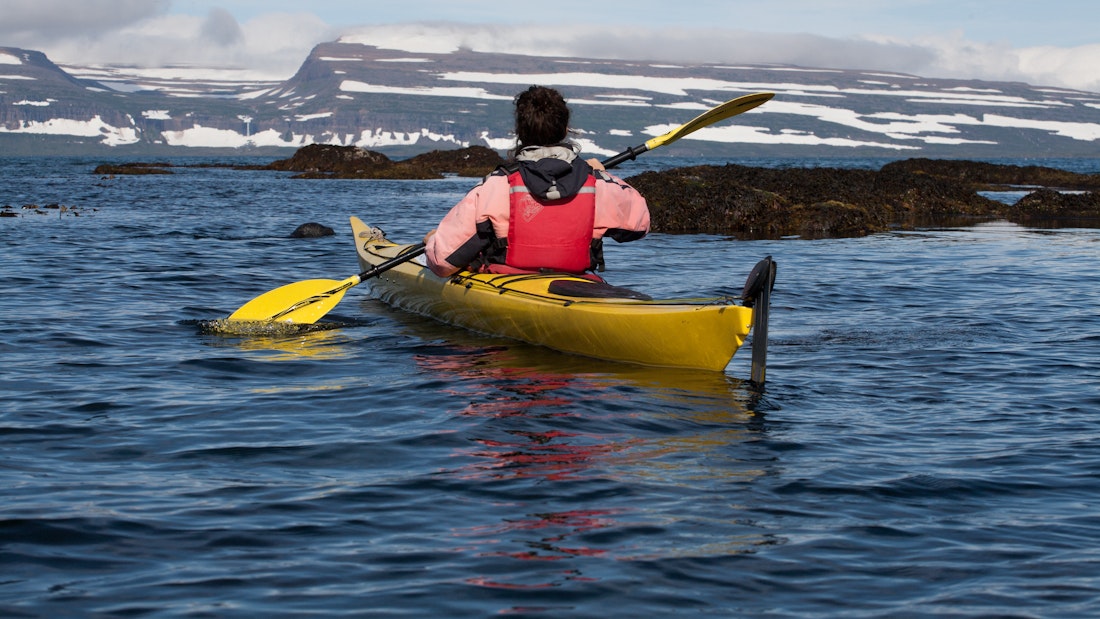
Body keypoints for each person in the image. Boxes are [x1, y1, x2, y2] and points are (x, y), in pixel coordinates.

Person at [422, 85, 650, 278]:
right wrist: (603, 176)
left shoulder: (496, 186)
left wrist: (433, 241)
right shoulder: (597, 184)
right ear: (565, 128)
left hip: (509, 281)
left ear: (520, 131)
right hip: (574, 281)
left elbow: (443, 263)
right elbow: (641, 225)